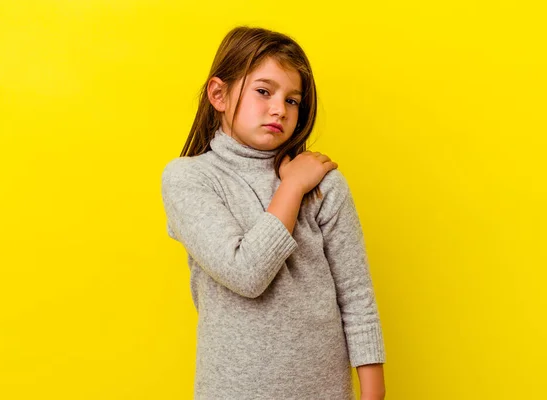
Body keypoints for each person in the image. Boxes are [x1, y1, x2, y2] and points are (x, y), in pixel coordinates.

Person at [161, 25, 387, 400]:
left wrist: (373, 393)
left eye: (293, 100)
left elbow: (356, 294)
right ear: (219, 94)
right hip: (232, 391)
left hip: (324, 391)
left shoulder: (324, 183)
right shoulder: (189, 178)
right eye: (263, 91)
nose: (279, 109)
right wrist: (292, 187)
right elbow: (246, 273)